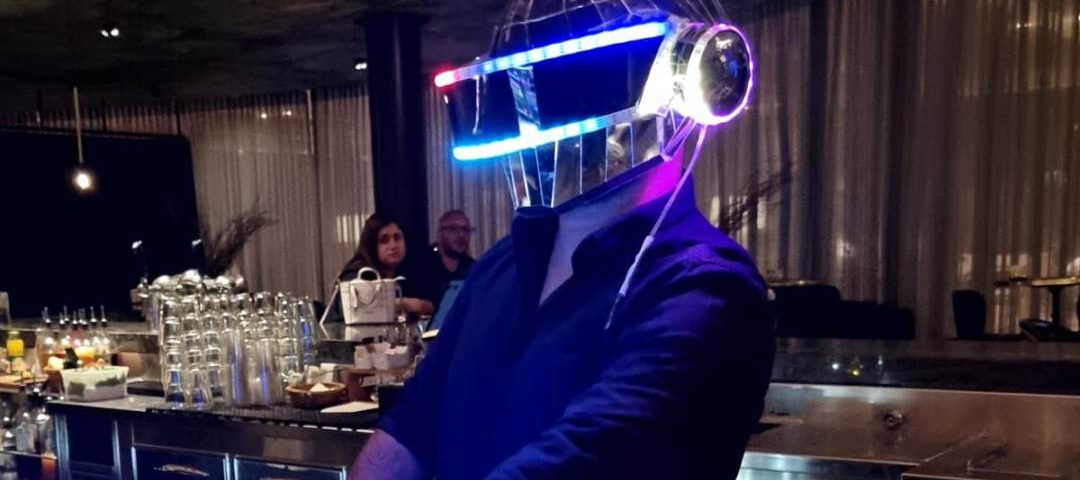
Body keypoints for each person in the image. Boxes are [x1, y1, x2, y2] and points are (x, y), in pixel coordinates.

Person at [351, 1, 771, 478]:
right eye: (522, 93)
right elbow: (410, 429)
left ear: (693, 77)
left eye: (580, 84)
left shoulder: (707, 290)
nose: (539, 120)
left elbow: (579, 462)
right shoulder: (499, 265)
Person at [339, 213, 437, 316]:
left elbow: (428, 306)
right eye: (384, 240)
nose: (393, 246)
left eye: (397, 237)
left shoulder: (406, 271)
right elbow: (356, 309)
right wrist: (404, 304)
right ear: (371, 245)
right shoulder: (358, 273)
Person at [432, 210, 476, 282]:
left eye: (465, 229)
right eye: (453, 228)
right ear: (439, 233)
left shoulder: (474, 269)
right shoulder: (420, 265)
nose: (461, 235)